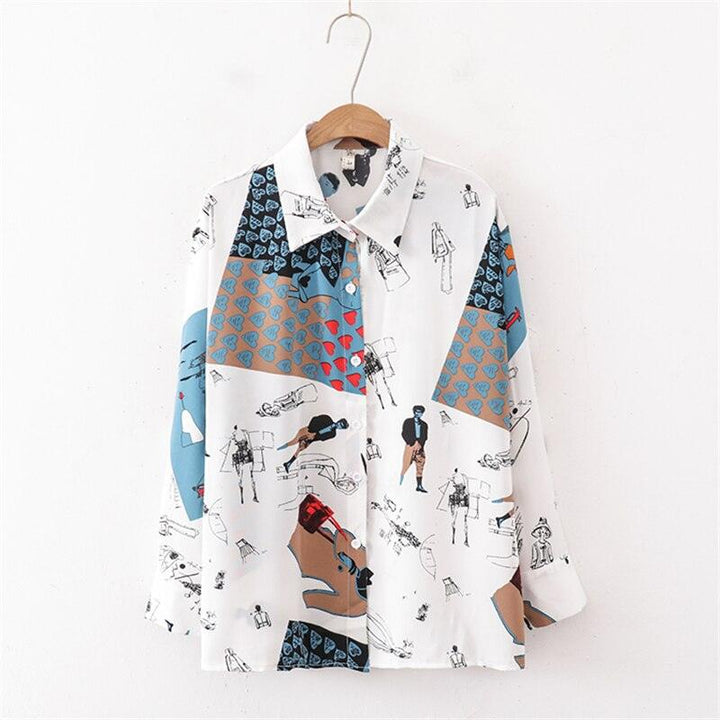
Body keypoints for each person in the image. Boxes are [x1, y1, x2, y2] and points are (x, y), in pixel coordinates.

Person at [278, 414, 349, 473]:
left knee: (299, 450)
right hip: (307, 431)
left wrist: (312, 438)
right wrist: (312, 431)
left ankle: (288, 463)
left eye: (341, 427)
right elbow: (314, 419)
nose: (339, 426)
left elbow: (322, 438)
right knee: (293, 442)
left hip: (311, 439)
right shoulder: (327, 418)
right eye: (340, 424)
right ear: (339, 421)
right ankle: (278, 449)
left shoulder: (333, 434)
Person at [400, 405, 429, 492]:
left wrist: (420, 444)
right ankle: (400, 484)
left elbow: (425, 437)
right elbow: (404, 434)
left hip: (420, 448)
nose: (418, 414)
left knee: (420, 467)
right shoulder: (408, 422)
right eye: (417, 412)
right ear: (414, 412)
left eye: (420, 412)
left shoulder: (424, 424)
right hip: (410, 446)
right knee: (405, 466)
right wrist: (413, 442)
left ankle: (419, 486)